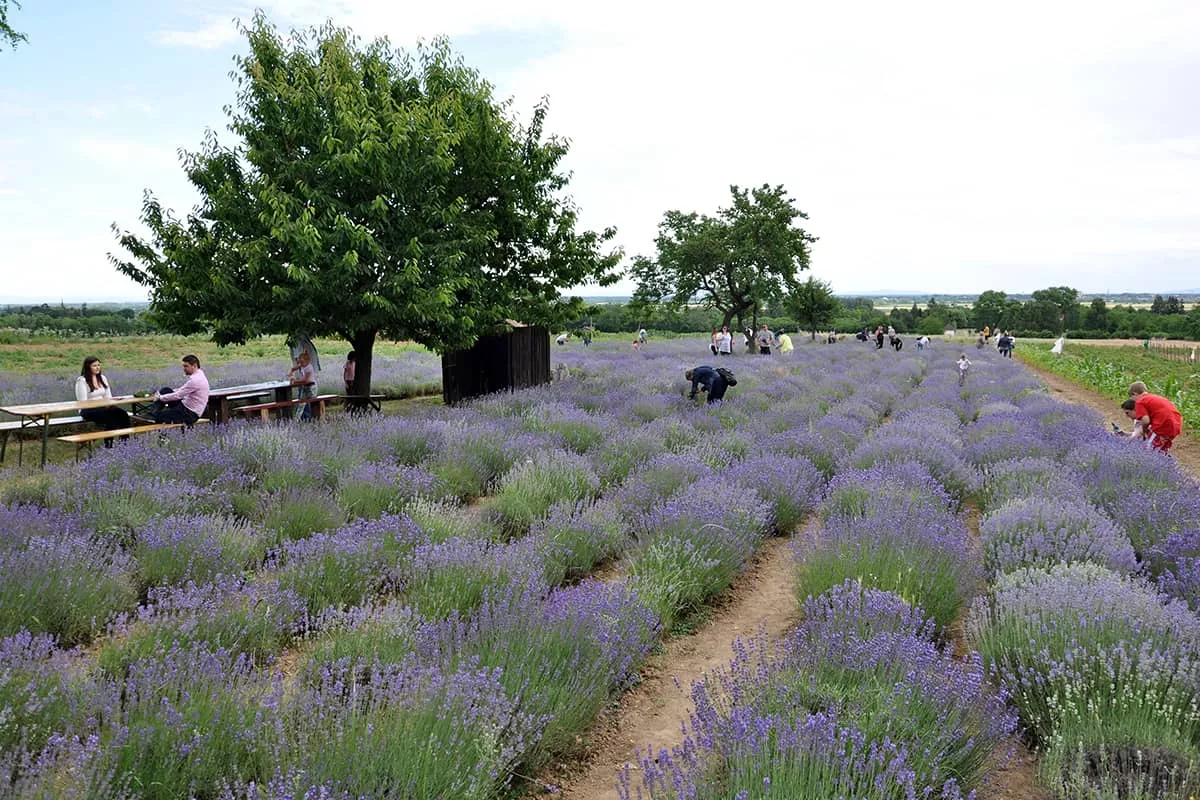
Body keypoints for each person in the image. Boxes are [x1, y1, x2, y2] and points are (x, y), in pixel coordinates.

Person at [74, 356, 131, 447]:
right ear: (88, 367)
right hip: (88, 410)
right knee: (111, 416)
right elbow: (83, 402)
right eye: (94, 366)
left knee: (123, 414)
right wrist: (101, 403)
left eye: (98, 365)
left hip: (104, 407)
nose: (97, 367)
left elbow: (108, 396)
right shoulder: (82, 380)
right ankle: (108, 445)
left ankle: (125, 443)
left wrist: (111, 401)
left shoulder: (102, 378)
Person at [146, 355, 210, 427]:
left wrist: (160, 397)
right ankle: (151, 415)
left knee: (159, 417)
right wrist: (166, 393)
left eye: (186, 366)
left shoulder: (196, 380)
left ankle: (153, 417)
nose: (184, 369)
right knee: (166, 390)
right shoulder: (199, 375)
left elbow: (178, 395)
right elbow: (182, 390)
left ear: (194, 365)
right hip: (184, 406)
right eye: (183, 366)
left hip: (190, 414)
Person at [1125, 383, 1183, 454]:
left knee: (1148, 450)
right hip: (1176, 425)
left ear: (1134, 394)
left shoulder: (1140, 401)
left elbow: (1146, 421)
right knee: (1160, 450)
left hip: (1162, 425)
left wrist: (1144, 431)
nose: (1133, 401)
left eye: (1131, 397)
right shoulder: (1154, 397)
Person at [288, 350, 318, 421]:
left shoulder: (309, 368)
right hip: (305, 388)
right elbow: (294, 368)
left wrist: (295, 381)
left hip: (311, 389)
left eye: (302, 362)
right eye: (299, 362)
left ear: (307, 361)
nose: (300, 364)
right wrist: (291, 372)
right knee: (300, 402)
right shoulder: (303, 365)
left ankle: (300, 419)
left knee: (301, 402)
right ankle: (299, 418)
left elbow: (306, 380)